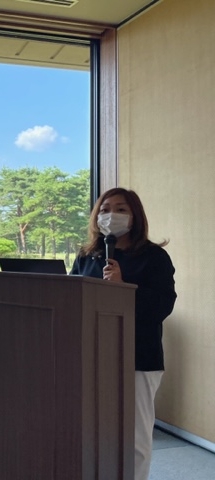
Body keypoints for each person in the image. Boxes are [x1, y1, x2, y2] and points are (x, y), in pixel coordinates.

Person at [70, 187, 176, 480]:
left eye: (120, 209)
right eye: (104, 210)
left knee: (134, 438)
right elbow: (71, 296)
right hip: (92, 354)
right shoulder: (87, 255)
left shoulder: (154, 256)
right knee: (93, 433)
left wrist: (123, 287)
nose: (110, 215)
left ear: (134, 216)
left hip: (137, 357)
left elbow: (162, 306)